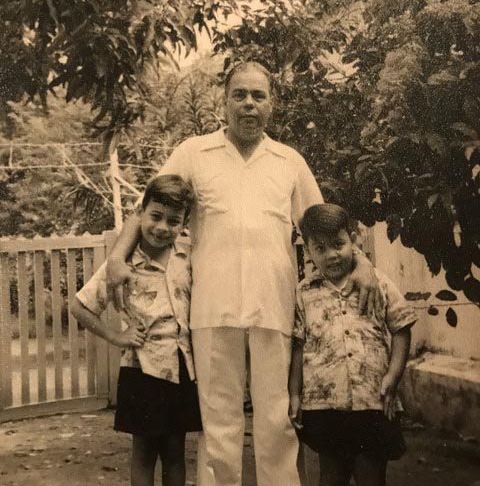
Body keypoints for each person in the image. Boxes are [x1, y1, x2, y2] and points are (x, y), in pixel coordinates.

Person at [106, 61, 380, 486]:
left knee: (277, 421)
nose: (249, 104)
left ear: (272, 104)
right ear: (225, 101)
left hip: (274, 305)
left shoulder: (288, 161)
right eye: (240, 95)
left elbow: (324, 227)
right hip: (211, 308)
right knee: (219, 425)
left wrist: (362, 263)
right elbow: (148, 208)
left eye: (258, 96)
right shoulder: (194, 153)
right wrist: (117, 259)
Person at [71, 174, 202, 486]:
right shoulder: (121, 265)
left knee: (175, 451)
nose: (162, 227)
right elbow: (79, 307)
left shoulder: (187, 258)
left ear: (184, 223)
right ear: (141, 213)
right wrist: (117, 337)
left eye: (173, 221)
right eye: (155, 216)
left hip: (181, 368)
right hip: (141, 370)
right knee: (144, 454)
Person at [289, 203, 417, 486]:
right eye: (320, 248)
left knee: (371, 477)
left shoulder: (377, 283)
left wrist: (393, 376)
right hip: (324, 404)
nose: (331, 255)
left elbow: (401, 327)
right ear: (308, 251)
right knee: (331, 478)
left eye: (338, 244)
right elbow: (298, 346)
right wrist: (295, 395)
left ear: (354, 240)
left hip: (372, 399)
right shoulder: (304, 292)